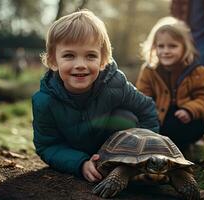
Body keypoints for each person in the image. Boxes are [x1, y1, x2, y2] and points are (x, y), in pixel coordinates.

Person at [32, 10, 159, 183]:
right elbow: (47, 146)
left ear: (102, 60)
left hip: (117, 154)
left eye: (90, 56)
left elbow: (146, 108)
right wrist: (80, 163)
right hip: (74, 152)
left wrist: (147, 154)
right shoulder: (44, 101)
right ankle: (88, 164)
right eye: (69, 55)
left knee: (127, 117)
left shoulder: (115, 84)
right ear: (53, 61)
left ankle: (124, 170)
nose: (80, 65)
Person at [136, 17, 204, 162]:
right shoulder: (149, 70)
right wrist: (150, 112)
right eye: (161, 46)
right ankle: (160, 149)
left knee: (197, 126)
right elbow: (142, 96)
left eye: (172, 46)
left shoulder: (198, 71)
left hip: (185, 119)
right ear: (155, 47)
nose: (166, 51)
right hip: (158, 118)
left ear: (184, 47)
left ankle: (183, 147)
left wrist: (190, 110)